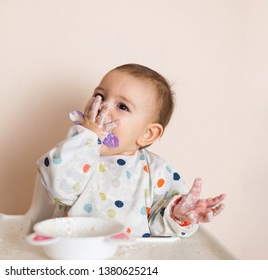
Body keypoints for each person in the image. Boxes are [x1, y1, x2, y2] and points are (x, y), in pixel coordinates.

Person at [37, 63, 226, 237]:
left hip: (133, 258)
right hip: (76, 251)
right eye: (100, 96)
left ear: (148, 133)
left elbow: (159, 227)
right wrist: (87, 138)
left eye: (122, 106)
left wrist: (179, 214)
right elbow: (58, 189)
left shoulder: (157, 171)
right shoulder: (78, 154)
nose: (104, 107)